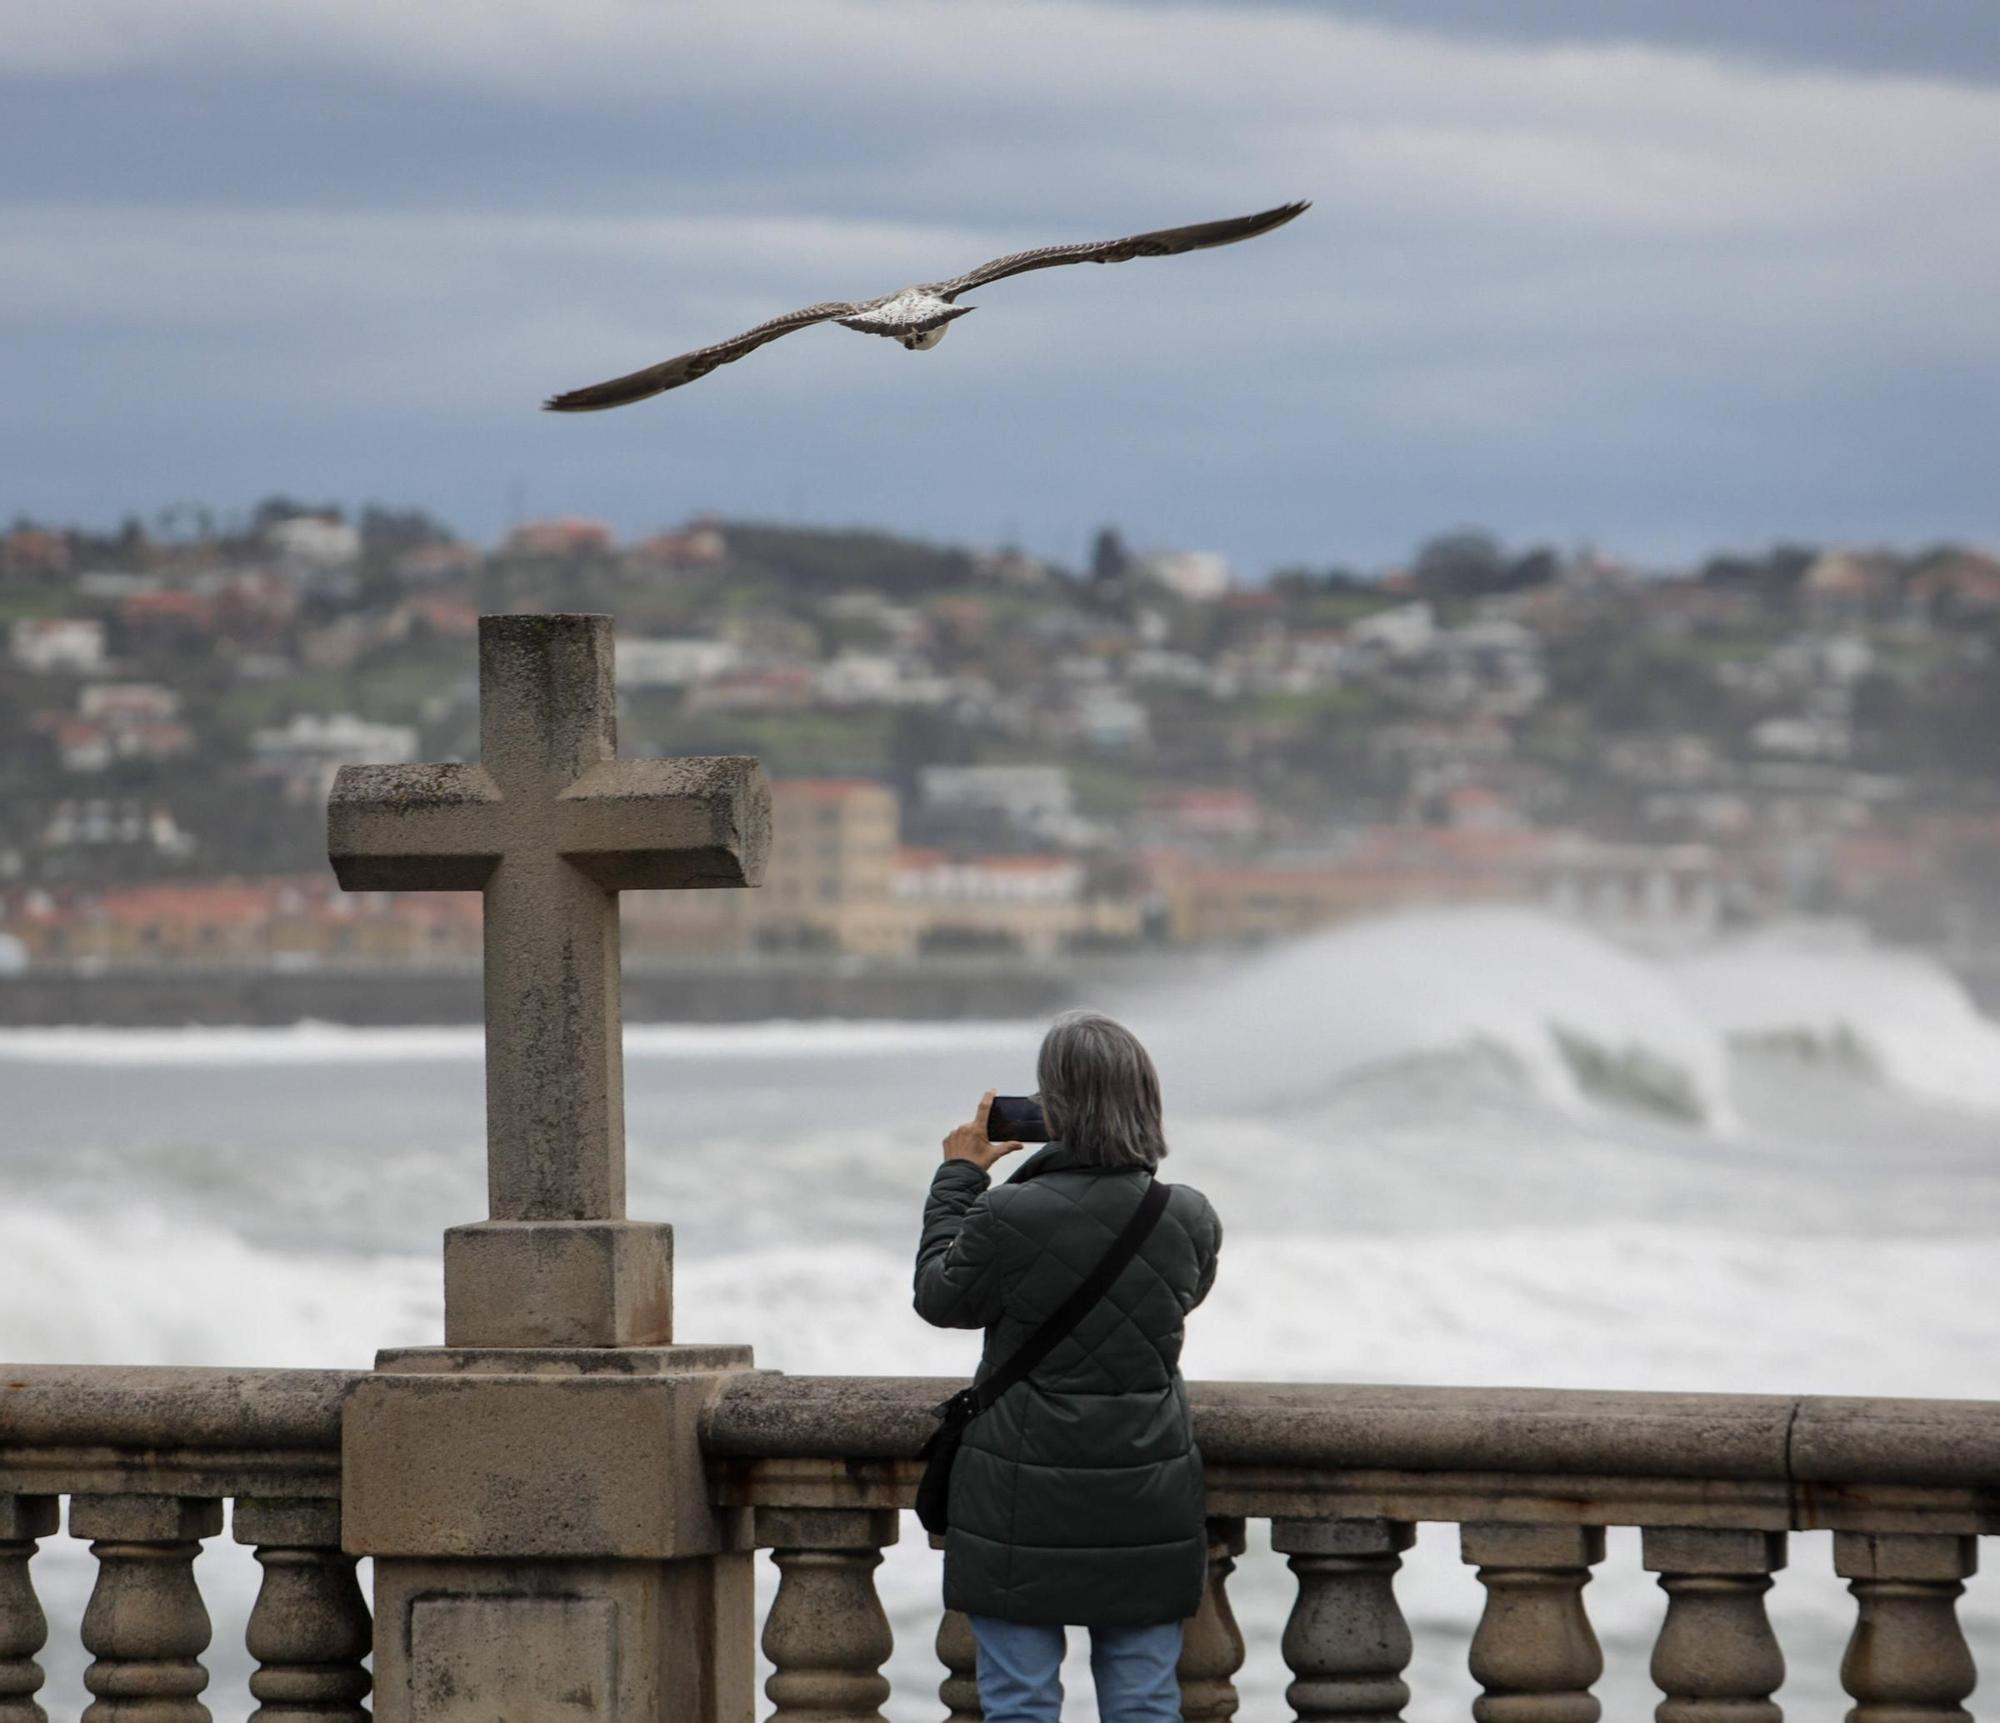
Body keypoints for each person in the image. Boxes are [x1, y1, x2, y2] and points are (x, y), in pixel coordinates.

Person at [914, 1010, 1223, 1723]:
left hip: (1018, 1496)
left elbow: (938, 1295)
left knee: (1020, 1703)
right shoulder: (1187, 1215)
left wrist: (959, 1176)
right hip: (1148, 1490)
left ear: (1056, 1108)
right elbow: (1180, 1299)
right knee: (1144, 1702)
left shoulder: (1008, 1213)